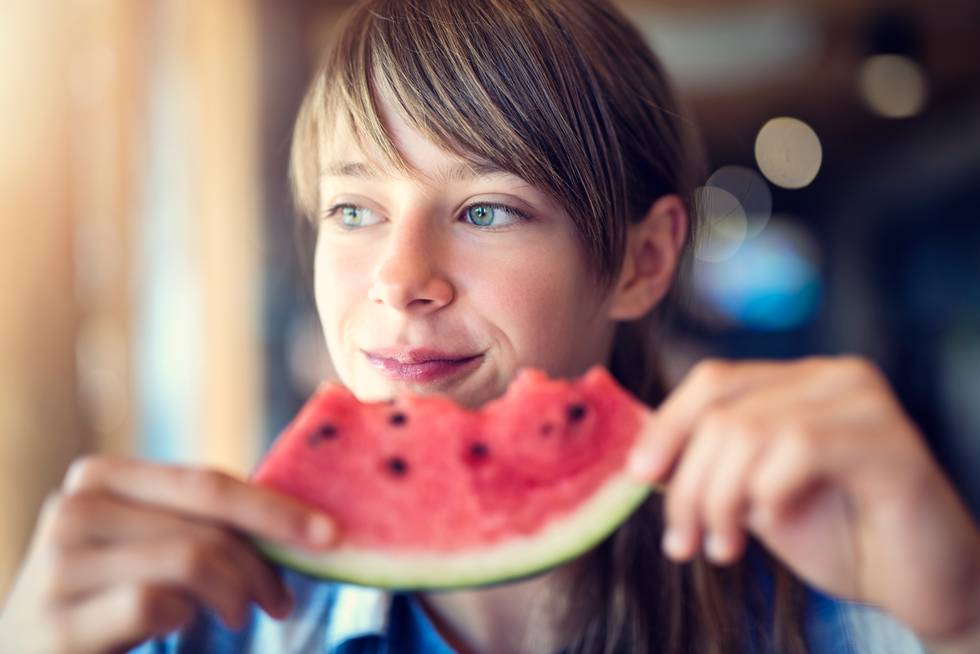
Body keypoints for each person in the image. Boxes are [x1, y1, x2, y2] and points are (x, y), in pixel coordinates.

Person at [2, 0, 978, 652]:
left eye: (484, 210)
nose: (399, 278)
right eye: (354, 210)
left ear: (641, 261)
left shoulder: (837, 600)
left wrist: (960, 619)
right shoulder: (195, 619)